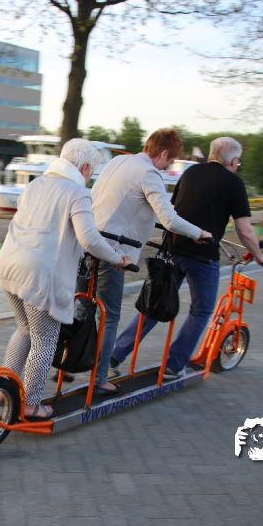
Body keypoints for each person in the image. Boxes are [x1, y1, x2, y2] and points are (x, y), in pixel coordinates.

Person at [109, 137, 263, 378]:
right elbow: (244, 230)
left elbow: (173, 211)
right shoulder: (234, 183)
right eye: (239, 162)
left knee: (155, 304)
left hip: (172, 250)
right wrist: (258, 254)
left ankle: (115, 354)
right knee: (201, 310)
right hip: (202, 255)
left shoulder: (191, 172)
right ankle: (173, 365)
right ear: (234, 160)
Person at [0, 138, 133, 420]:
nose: (89, 178)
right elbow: (89, 239)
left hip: (9, 263)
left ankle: (3, 389)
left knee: (23, 329)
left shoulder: (35, 184)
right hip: (38, 273)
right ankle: (31, 404)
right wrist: (116, 258)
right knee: (45, 339)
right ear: (84, 168)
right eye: (91, 172)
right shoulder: (77, 193)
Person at [91, 128, 213, 394]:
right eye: (170, 161)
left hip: (88, 241)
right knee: (110, 316)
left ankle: (69, 363)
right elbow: (169, 219)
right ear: (164, 153)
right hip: (113, 251)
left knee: (84, 309)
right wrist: (199, 233)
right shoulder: (149, 173)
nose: (168, 167)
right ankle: (99, 379)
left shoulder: (119, 161)